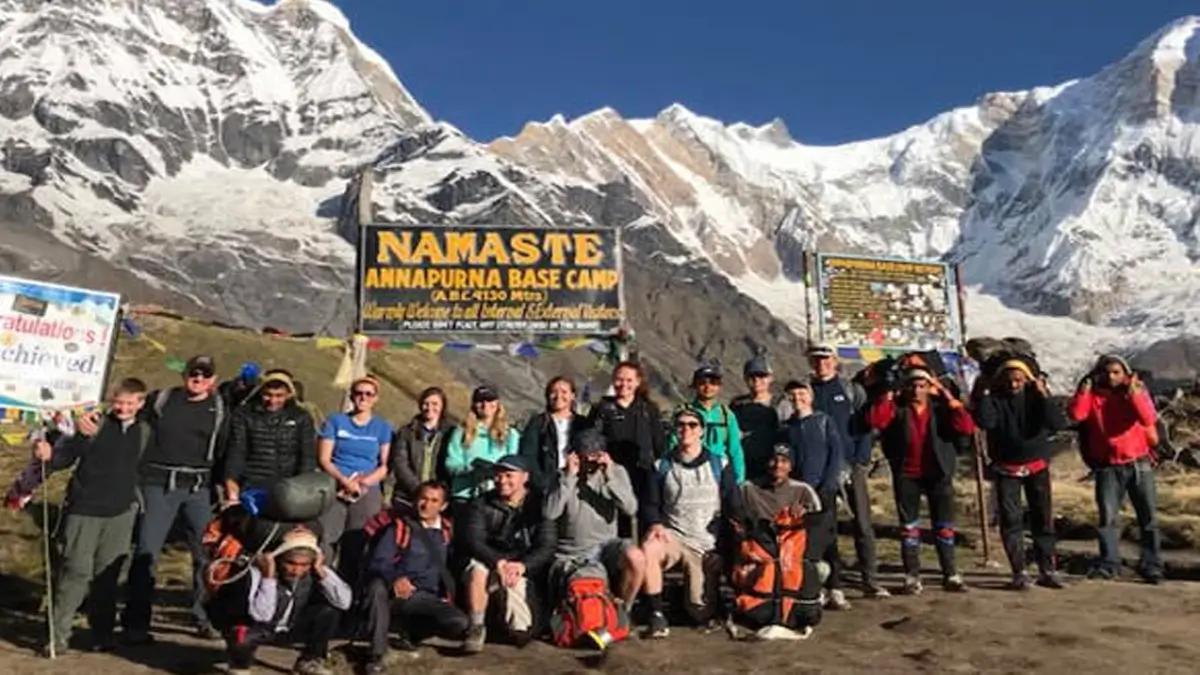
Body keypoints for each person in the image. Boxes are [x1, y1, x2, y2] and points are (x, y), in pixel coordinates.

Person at [33, 378, 151, 655]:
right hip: (84, 509)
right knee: (75, 573)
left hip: (121, 512)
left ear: (141, 403)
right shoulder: (91, 424)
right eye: (119, 402)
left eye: (130, 403)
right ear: (111, 400)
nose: (123, 408)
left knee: (107, 576)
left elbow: (143, 469)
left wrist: (136, 503)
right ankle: (57, 636)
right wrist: (47, 455)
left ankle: (102, 634)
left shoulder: (145, 431)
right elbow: (64, 456)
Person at [123, 355, 229, 644]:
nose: (198, 379)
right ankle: (135, 622)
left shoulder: (219, 408)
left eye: (204, 375)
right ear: (184, 374)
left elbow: (224, 451)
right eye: (193, 373)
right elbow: (131, 424)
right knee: (147, 551)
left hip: (200, 488)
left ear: (213, 379)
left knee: (205, 555)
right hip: (159, 484)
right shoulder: (162, 400)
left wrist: (226, 488)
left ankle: (205, 618)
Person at [865, 368, 976, 594]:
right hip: (907, 474)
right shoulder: (898, 409)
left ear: (929, 388)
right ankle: (912, 576)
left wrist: (948, 397)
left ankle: (951, 573)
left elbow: (966, 426)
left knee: (944, 526)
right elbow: (876, 421)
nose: (917, 390)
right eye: (913, 386)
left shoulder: (940, 410)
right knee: (909, 528)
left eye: (922, 386)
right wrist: (887, 396)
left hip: (938, 472)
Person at [640, 408, 741, 638]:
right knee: (649, 548)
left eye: (693, 425)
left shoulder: (720, 464)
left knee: (700, 611)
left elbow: (732, 508)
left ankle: (686, 599)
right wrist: (655, 524)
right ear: (675, 431)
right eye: (681, 425)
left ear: (702, 431)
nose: (686, 429)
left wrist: (722, 550)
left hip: (706, 544)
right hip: (673, 536)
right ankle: (656, 614)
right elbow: (650, 504)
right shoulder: (661, 466)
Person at [975, 359, 1069, 590]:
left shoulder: (1037, 399)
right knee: (1011, 519)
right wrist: (985, 395)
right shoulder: (995, 400)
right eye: (1009, 381)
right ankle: (1019, 571)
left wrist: (1044, 395)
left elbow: (1058, 423)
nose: (1014, 385)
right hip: (1006, 467)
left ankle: (1047, 569)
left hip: (1036, 465)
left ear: (1028, 379)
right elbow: (985, 421)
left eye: (1019, 380)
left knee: (1042, 518)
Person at [804, 344, 888, 599]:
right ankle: (831, 583)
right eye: (816, 359)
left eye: (826, 358)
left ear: (835, 361)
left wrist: (860, 460)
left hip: (852, 466)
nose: (822, 363)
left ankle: (870, 579)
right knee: (825, 527)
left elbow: (865, 426)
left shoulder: (852, 390)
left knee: (862, 523)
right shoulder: (806, 391)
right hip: (822, 470)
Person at [1069, 354, 1162, 583]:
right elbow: (1076, 415)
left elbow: (1148, 418)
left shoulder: (1136, 392)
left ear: (1125, 374)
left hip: (1138, 463)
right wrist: (1083, 392)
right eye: (1107, 372)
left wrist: (1136, 394)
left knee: (1148, 517)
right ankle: (1109, 564)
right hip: (1108, 466)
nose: (1111, 377)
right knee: (1108, 519)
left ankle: (1152, 565)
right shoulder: (1093, 397)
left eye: (1116, 372)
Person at [209, 527, 351, 675]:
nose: (296, 570)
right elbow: (262, 615)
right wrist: (268, 578)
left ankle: (309, 661)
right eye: (291, 563)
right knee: (241, 635)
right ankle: (239, 665)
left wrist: (321, 571)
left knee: (328, 612)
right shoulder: (255, 574)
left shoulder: (314, 573)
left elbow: (344, 602)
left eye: (304, 565)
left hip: (291, 627)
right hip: (258, 628)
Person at [363, 481, 467, 673]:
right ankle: (376, 655)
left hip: (426, 597)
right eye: (423, 499)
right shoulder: (399, 528)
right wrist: (395, 578)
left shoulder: (447, 531)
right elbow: (379, 562)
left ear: (443, 506)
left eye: (434, 501)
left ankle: (410, 635)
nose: (426, 505)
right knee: (376, 587)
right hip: (395, 594)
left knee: (458, 623)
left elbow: (452, 566)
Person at [461, 455, 556, 652]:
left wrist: (522, 566)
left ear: (525, 477)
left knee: (521, 632)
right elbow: (474, 540)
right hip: (491, 560)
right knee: (476, 570)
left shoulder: (541, 505)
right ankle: (476, 626)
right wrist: (498, 562)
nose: (502, 480)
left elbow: (546, 545)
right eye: (498, 475)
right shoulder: (481, 503)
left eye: (508, 475)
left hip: (525, 567)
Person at [544, 428, 644, 607]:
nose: (590, 463)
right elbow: (550, 513)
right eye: (585, 457)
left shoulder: (616, 472)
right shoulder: (560, 476)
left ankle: (623, 611)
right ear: (574, 456)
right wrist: (569, 478)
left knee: (635, 557)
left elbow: (630, 508)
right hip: (573, 552)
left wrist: (609, 476)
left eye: (594, 457)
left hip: (607, 546)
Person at [316, 376, 392, 587]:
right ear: (351, 395)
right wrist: (343, 480)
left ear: (376, 398)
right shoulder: (335, 421)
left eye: (369, 394)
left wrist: (364, 482)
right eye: (359, 393)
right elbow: (324, 459)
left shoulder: (382, 427)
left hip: (367, 489)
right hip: (336, 485)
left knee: (358, 543)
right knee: (327, 539)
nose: (363, 397)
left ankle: (350, 590)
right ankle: (321, 585)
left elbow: (385, 465)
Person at [781, 380, 848, 609]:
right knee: (804, 543)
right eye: (793, 394)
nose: (797, 397)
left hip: (823, 492)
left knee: (828, 541)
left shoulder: (823, 421)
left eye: (802, 392)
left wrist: (829, 487)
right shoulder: (788, 427)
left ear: (810, 396)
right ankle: (814, 589)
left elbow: (835, 453)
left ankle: (836, 588)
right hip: (799, 495)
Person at [586, 361, 666, 532]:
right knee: (617, 523)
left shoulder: (648, 409)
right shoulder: (601, 409)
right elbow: (592, 439)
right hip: (612, 474)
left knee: (645, 521)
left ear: (638, 382)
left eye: (629, 380)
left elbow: (659, 442)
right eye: (619, 379)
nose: (624, 384)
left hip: (643, 474)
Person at [223, 370, 318, 503]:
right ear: (261, 392)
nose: (273, 400)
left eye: (279, 396)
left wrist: (303, 486)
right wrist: (231, 480)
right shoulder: (244, 414)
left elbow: (307, 456)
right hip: (252, 483)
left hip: (288, 487)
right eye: (268, 395)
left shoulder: (301, 417)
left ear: (289, 395)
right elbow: (237, 451)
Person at [443, 385, 521, 505]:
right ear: (474, 404)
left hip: (497, 494)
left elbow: (514, 465)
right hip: (465, 495)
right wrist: (471, 470)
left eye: (490, 400)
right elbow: (451, 462)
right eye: (480, 401)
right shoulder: (461, 431)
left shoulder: (510, 434)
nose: (485, 404)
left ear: (497, 403)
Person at [670, 364, 746, 484]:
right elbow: (673, 442)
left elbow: (735, 449)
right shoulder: (683, 411)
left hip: (720, 472)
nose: (708, 386)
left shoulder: (726, 414)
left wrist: (739, 479)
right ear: (695, 385)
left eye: (713, 382)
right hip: (689, 470)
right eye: (702, 382)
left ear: (719, 386)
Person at [519, 376, 586, 493]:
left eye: (564, 392)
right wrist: (542, 482)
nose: (559, 396)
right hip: (547, 484)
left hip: (577, 485)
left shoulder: (583, 423)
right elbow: (528, 456)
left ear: (573, 395)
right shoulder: (538, 423)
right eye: (553, 392)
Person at [390, 387, 452, 508]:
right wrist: (418, 488)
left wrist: (438, 492)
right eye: (425, 404)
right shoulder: (406, 432)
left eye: (435, 404)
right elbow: (400, 463)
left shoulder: (450, 433)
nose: (429, 408)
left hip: (437, 499)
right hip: (406, 496)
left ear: (442, 406)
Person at [730, 354, 781, 484]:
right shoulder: (737, 405)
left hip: (772, 469)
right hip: (742, 466)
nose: (757, 380)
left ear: (770, 378)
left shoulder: (781, 404)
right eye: (752, 376)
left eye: (761, 376)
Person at [740, 443, 823, 524]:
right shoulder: (748, 488)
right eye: (774, 460)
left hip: (791, 534)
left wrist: (804, 512)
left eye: (784, 461)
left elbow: (817, 516)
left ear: (791, 467)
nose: (778, 465)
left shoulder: (803, 490)